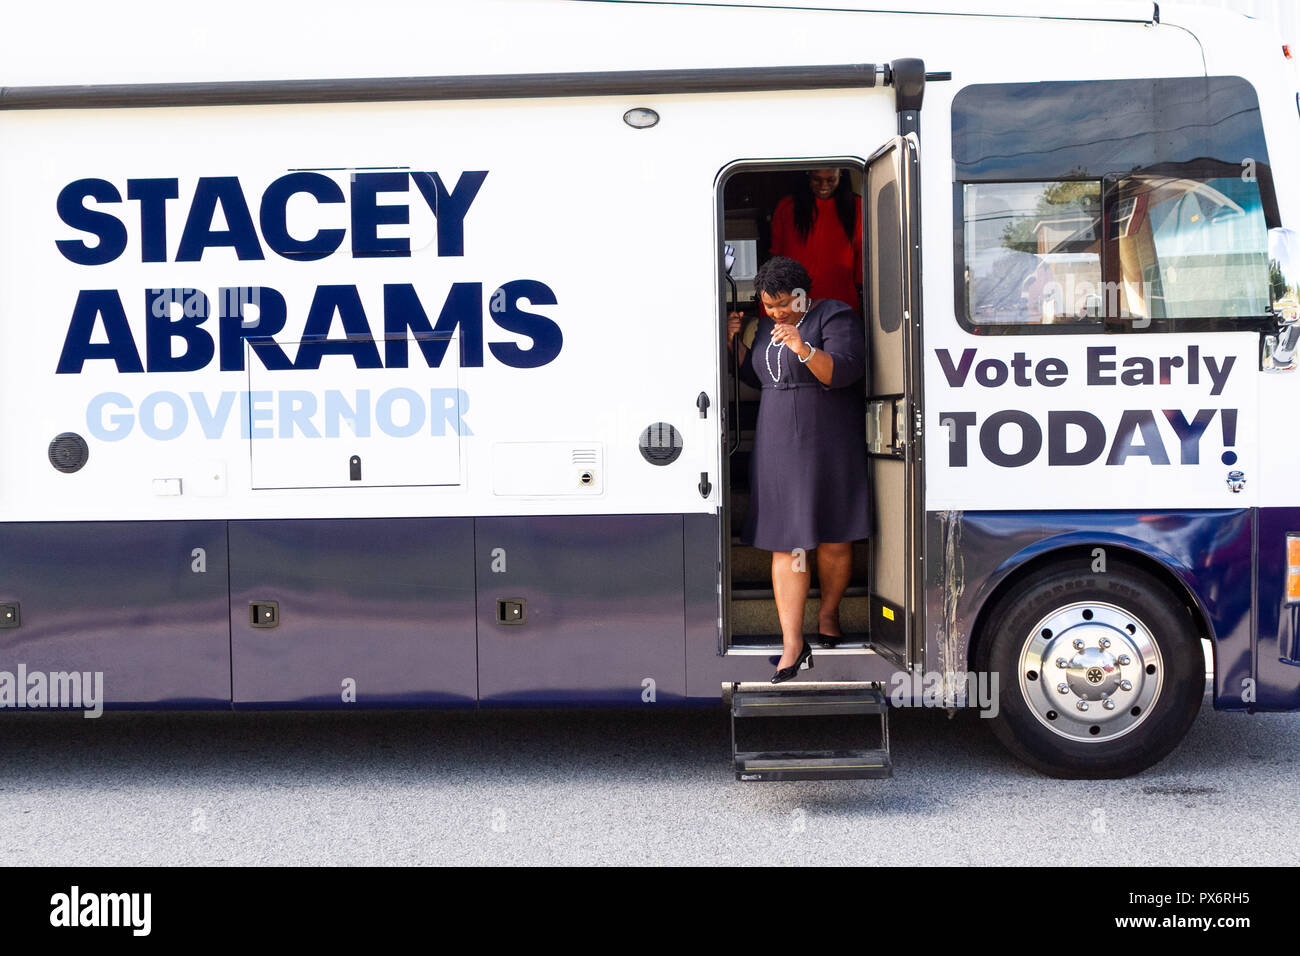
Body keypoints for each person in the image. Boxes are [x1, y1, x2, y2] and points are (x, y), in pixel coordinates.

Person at [727, 256, 871, 684]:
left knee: (832, 538)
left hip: (827, 437)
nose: (775, 313)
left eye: (782, 304)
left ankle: (828, 613)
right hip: (778, 441)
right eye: (769, 307)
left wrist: (803, 346)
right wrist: (736, 343)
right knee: (786, 542)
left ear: (802, 293)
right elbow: (759, 376)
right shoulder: (769, 327)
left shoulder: (835, 314)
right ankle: (792, 642)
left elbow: (844, 371)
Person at [769, 168, 863, 315]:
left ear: (841, 174)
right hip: (796, 301)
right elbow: (776, 258)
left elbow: (862, 254)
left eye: (831, 180)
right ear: (807, 175)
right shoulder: (787, 207)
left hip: (840, 300)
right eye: (817, 179)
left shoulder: (857, 206)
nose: (823, 185)